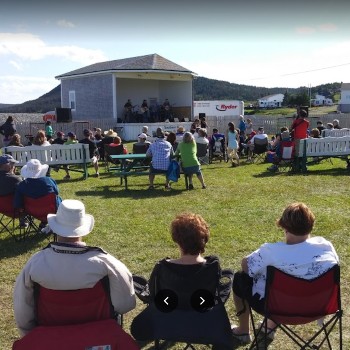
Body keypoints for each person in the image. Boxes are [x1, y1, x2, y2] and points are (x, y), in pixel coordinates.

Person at [13, 199, 136, 336]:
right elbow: (125, 304)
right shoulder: (107, 264)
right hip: (98, 337)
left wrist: (31, 335)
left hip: (51, 339)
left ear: (55, 227)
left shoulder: (35, 264)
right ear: (83, 229)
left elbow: (22, 310)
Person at [231, 202, 339, 345]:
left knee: (240, 278)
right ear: (311, 224)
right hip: (318, 307)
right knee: (288, 289)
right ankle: (268, 327)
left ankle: (244, 331)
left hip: (278, 308)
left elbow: (246, 266)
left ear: (284, 226)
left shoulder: (271, 251)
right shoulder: (326, 247)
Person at [131, 212, 228, 340]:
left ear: (177, 240)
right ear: (204, 239)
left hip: (167, 323)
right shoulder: (212, 266)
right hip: (203, 323)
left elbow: (152, 295)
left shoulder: (162, 267)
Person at [14, 159, 62, 234]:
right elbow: (56, 192)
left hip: (31, 211)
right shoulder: (49, 181)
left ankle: (44, 223)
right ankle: (47, 223)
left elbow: (18, 203)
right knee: (57, 200)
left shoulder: (22, 185)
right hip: (50, 210)